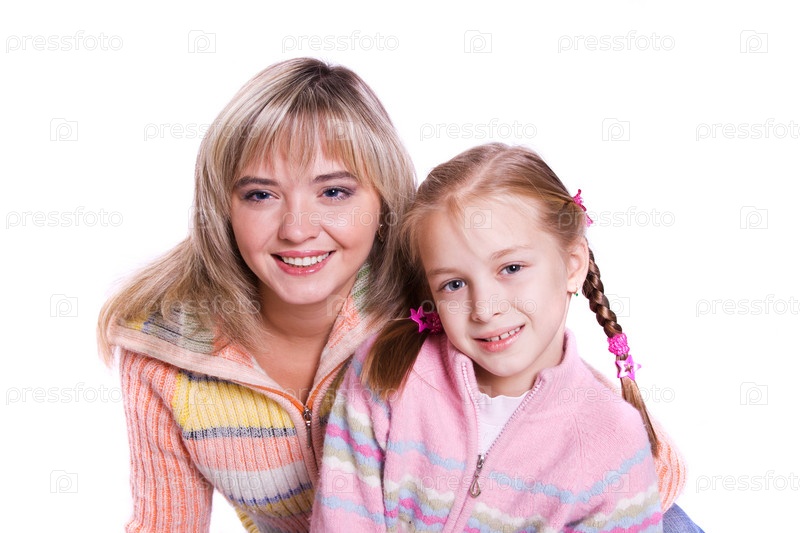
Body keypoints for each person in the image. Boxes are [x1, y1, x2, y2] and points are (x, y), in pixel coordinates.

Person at [97, 58, 416, 532]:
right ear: (222, 210)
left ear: (384, 203)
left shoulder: (432, 312)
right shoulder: (164, 353)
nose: (297, 230)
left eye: (333, 192)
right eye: (261, 195)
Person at [313, 143, 700, 531]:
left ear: (572, 265)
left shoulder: (612, 439)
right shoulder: (388, 374)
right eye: (454, 284)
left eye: (511, 268)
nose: (484, 308)